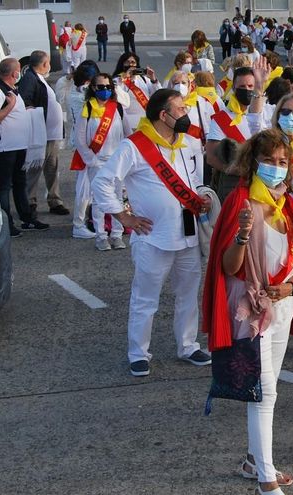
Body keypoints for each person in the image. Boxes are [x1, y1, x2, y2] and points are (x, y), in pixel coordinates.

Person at [202, 128, 293, 494]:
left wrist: (291, 284)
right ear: (253, 163)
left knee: (271, 388)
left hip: (282, 305)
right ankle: (266, 478)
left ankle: (254, 461)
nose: (277, 168)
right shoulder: (241, 202)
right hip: (250, 310)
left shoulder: (289, 205)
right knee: (263, 390)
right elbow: (227, 266)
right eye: (269, 161)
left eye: (283, 162)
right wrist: (240, 237)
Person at [91, 89, 213, 377]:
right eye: (181, 110)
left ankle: (188, 345)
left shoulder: (188, 143)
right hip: (153, 237)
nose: (186, 115)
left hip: (188, 233)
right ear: (164, 115)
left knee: (187, 294)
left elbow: (193, 180)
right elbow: (103, 182)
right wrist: (123, 216)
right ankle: (138, 353)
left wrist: (200, 196)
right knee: (146, 298)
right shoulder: (134, 147)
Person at [0, 58, 47, 237]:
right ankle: (6, 223)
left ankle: (27, 218)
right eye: (19, 70)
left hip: (17, 146)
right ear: (14, 73)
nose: (20, 73)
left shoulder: (11, 90)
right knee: (4, 186)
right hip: (3, 149)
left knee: (20, 182)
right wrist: (11, 106)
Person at [74, 73, 131, 251]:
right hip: (97, 162)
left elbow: (128, 134)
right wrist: (91, 160)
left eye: (108, 87)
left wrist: (126, 158)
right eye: (101, 87)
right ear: (93, 88)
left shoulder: (118, 109)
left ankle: (116, 234)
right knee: (99, 201)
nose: (105, 90)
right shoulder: (87, 109)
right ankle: (101, 236)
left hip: (116, 161)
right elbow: (80, 139)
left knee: (117, 199)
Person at [19, 51, 69, 217]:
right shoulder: (30, 79)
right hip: (42, 133)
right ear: (43, 64)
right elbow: (25, 101)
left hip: (52, 134)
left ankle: (55, 200)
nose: (50, 65)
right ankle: (30, 202)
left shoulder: (40, 78)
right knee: (35, 168)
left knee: (52, 168)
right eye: (48, 62)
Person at [206, 66, 258, 199]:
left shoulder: (267, 113)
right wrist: (235, 171)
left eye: (250, 85)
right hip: (233, 184)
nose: (246, 90)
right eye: (241, 86)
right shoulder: (220, 118)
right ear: (233, 89)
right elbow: (211, 158)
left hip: (263, 183)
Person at [66, 61, 101, 239]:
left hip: (93, 145)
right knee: (84, 188)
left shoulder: (77, 92)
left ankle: (87, 220)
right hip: (85, 146)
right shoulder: (78, 96)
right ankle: (78, 224)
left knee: (92, 188)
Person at [170, 71, 214, 158]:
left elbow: (208, 125)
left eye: (183, 83)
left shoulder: (200, 101)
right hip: (176, 150)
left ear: (189, 84)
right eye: (176, 83)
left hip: (197, 150)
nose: (180, 86)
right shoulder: (167, 103)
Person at [113, 52, 161, 131]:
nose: (130, 65)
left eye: (133, 62)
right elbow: (117, 98)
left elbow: (158, 94)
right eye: (127, 62)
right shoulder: (117, 80)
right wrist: (124, 78)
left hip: (145, 121)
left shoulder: (144, 79)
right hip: (127, 121)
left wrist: (153, 79)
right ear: (122, 64)